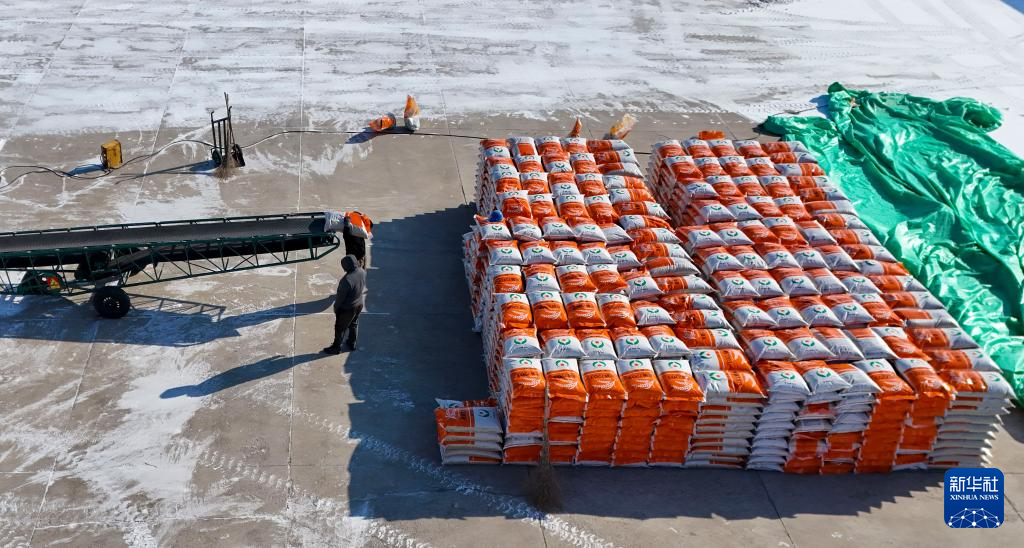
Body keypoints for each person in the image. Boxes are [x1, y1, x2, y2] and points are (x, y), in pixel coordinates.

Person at [323, 254, 367, 354]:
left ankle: (336, 348)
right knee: (354, 324)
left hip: (348, 309)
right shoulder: (362, 271)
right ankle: (352, 343)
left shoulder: (346, 280)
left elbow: (340, 299)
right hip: (359, 304)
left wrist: (336, 308)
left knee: (340, 328)